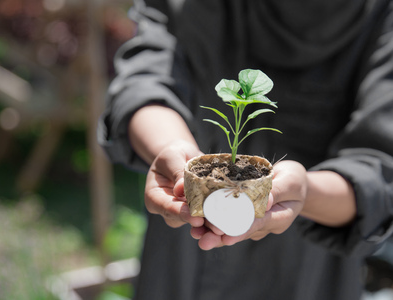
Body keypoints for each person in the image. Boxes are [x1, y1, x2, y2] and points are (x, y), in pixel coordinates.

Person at [98, 0, 393, 299]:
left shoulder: (382, 15)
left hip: (305, 275)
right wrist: (172, 147)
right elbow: (144, 79)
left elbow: (380, 174)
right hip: (182, 247)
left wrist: (303, 191)